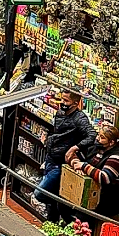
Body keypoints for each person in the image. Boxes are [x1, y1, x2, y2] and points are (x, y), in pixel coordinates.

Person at [33, 90, 96, 219]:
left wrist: (75, 148)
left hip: (62, 163)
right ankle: (53, 219)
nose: (63, 103)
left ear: (75, 103)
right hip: (51, 157)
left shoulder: (80, 119)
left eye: (66, 101)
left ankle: (62, 210)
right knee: (54, 193)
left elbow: (92, 135)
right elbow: (57, 131)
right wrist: (49, 138)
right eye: (62, 99)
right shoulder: (60, 112)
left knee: (39, 193)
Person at [68, 123, 119, 217]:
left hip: (109, 199)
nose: (97, 139)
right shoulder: (95, 148)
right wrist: (76, 165)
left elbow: (104, 177)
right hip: (90, 192)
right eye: (98, 135)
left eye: (102, 137)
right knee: (63, 204)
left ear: (111, 142)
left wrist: (84, 166)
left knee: (81, 215)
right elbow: (72, 156)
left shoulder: (117, 157)